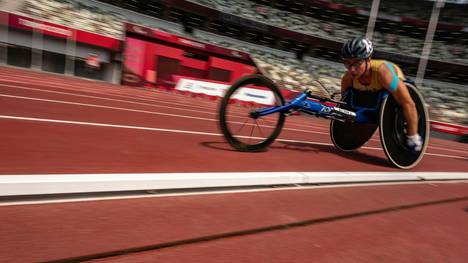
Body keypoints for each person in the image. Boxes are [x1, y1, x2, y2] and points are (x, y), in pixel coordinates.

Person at [340, 37, 422, 151]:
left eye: (357, 63)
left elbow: (408, 103)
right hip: (371, 99)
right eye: (347, 63)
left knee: (392, 98)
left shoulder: (383, 73)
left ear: (368, 59)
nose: (352, 69)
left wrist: (413, 137)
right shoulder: (347, 79)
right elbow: (344, 103)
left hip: (394, 92)